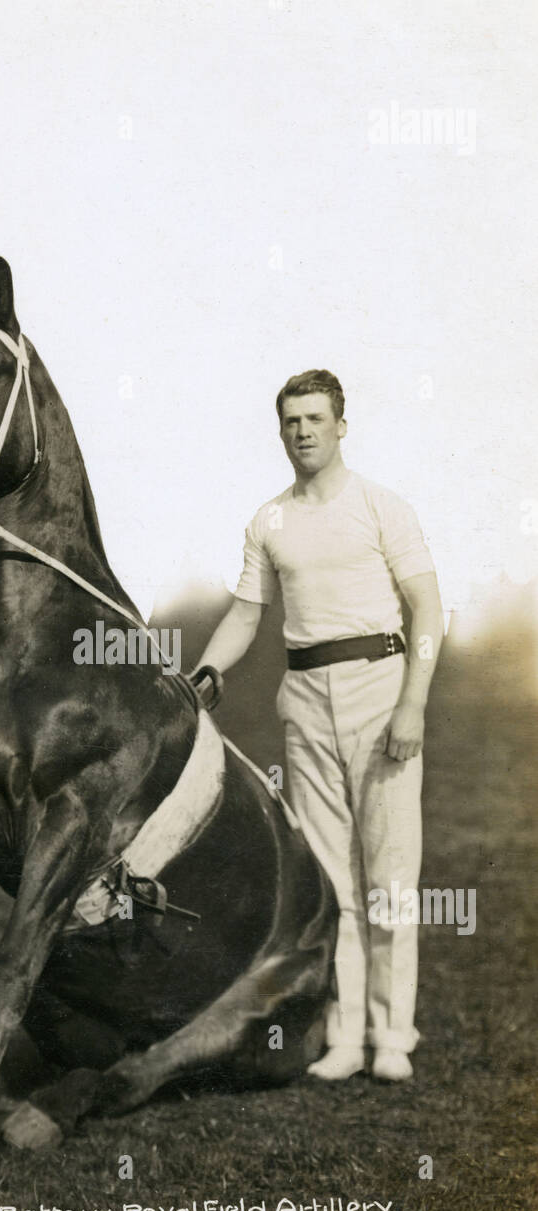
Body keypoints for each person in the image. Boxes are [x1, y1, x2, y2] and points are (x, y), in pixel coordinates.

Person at [194, 370, 443, 1082]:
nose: (302, 431)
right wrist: (207, 675)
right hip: (303, 696)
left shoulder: (381, 507)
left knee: (390, 874)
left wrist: (414, 702)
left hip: (382, 686)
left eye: (314, 418)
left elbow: (426, 608)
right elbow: (247, 614)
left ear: (340, 425)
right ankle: (344, 1036)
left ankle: (394, 1035)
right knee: (333, 882)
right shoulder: (268, 520)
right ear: (281, 432)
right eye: (290, 421)